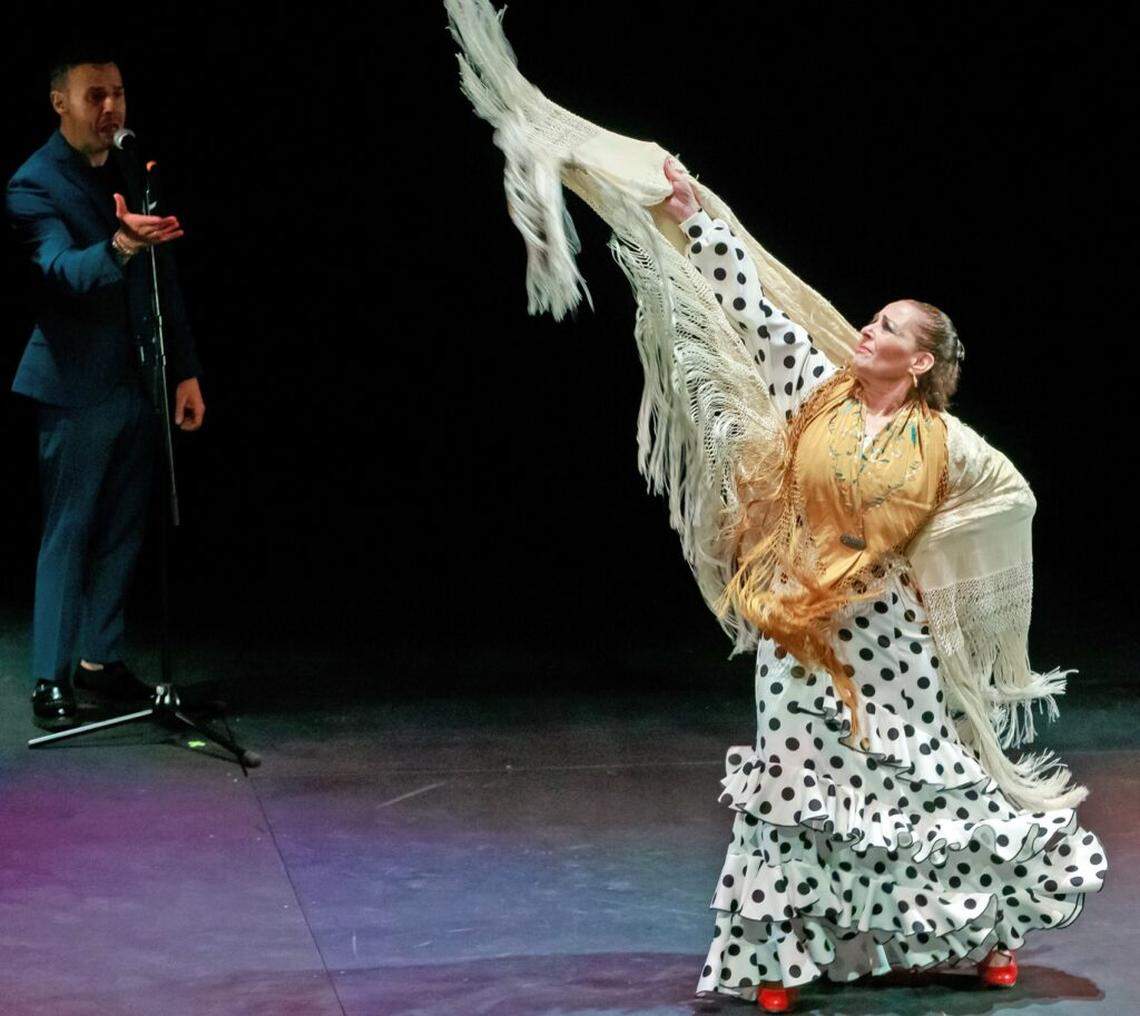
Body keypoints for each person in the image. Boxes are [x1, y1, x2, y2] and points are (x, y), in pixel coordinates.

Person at [656, 157, 1106, 1011]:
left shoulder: (945, 441)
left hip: (890, 635)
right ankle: (780, 959)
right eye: (870, 320)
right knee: (793, 786)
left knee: (918, 781)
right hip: (800, 627)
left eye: (886, 326)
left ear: (919, 357)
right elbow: (754, 311)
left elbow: (1014, 497)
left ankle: (991, 933)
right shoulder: (816, 393)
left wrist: (934, 556)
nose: (866, 330)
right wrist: (693, 219)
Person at [7, 55, 205, 728]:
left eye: (118, 93)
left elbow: (162, 277)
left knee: (123, 527)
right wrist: (119, 245)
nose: (111, 107)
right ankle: (50, 677)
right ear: (60, 102)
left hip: (138, 380)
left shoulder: (131, 170)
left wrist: (184, 369)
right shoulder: (33, 183)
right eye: (95, 95)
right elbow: (62, 270)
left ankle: (99, 660)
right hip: (74, 386)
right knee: (70, 530)